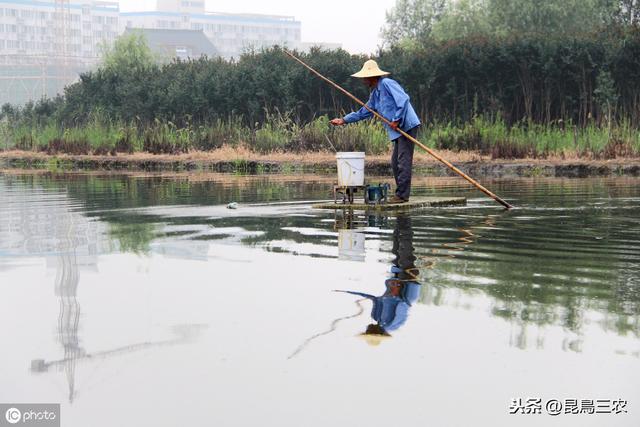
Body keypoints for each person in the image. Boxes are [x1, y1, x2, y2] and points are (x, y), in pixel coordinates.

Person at [330, 60, 421, 204]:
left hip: (406, 125)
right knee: (395, 162)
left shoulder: (387, 84)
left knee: (403, 162)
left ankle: (402, 196)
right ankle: (401, 194)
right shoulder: (375, 95)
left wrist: (396, 119)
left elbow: (403, 100)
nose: (363, 81)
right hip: (397, 130)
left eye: (365, 78)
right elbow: (363, 112)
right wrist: (343, 120)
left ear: (372, 77)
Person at [336, 214, 421, 345]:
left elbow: (375, 299)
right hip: (407, 285)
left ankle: (401, 221)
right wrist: (396, 290)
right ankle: (405, 221)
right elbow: (403, 305)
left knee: (396, 248)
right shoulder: (392, 324)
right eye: (368, 330)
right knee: (405, 250)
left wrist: (350, 292)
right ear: (376, 332)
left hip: (394, 283)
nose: (367, 328)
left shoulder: (376, 318)